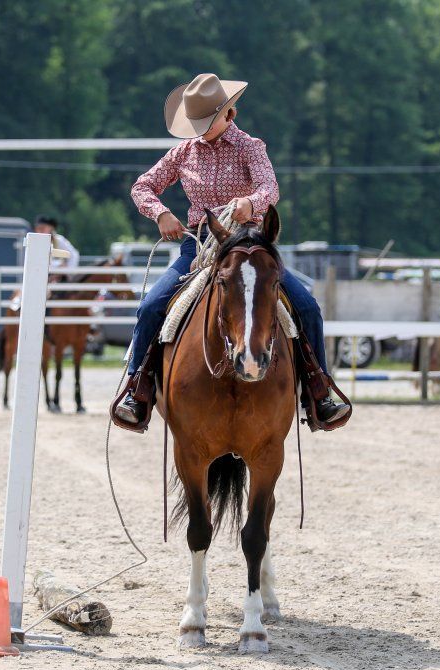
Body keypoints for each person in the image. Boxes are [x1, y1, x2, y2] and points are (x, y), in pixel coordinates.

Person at [113, 72, 349, 428]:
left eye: (206, 121)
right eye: (197, 123)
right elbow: (142, 186)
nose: (200, 130)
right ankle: (138, 390)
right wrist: (160, 213)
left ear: (229, 114)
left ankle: (319, 391)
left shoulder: (250, 146)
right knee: (150, 307)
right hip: (199, 246)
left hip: (248, 246)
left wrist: (250, 203)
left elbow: (270, 188)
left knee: (306, 306)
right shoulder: (183, 152)